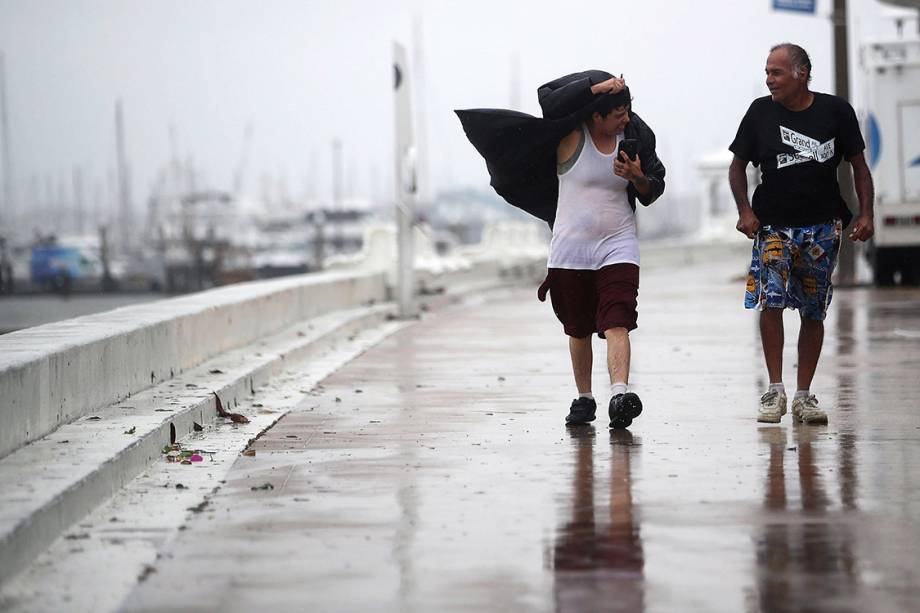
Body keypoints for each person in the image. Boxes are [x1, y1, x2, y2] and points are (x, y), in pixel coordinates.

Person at [457, 71, 666, 428]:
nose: (626, 119)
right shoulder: (570, 134)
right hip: (571, 249)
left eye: (628, 111)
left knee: (619, 320)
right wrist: (595, 88)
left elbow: (654, 187)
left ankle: (620, 395)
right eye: (618, 113)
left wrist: (637, 177)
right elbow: (548, 98)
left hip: (619, 244)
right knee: (579, 328)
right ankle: (585, 398)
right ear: (596, 114)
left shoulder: (635, 137)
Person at [729, 43, 874, 425]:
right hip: (774, 226)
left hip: (824, 228)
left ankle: (803, 396)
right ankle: (774, 391)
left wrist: (866, 213)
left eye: (776, 72)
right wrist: (745, 211)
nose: (769, 80)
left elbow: (859, 165)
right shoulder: (760, 112)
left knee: (813, 311)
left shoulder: (836, 112)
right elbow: (737, 167)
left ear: (801, 73)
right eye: (767, 72)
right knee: (771, 302)